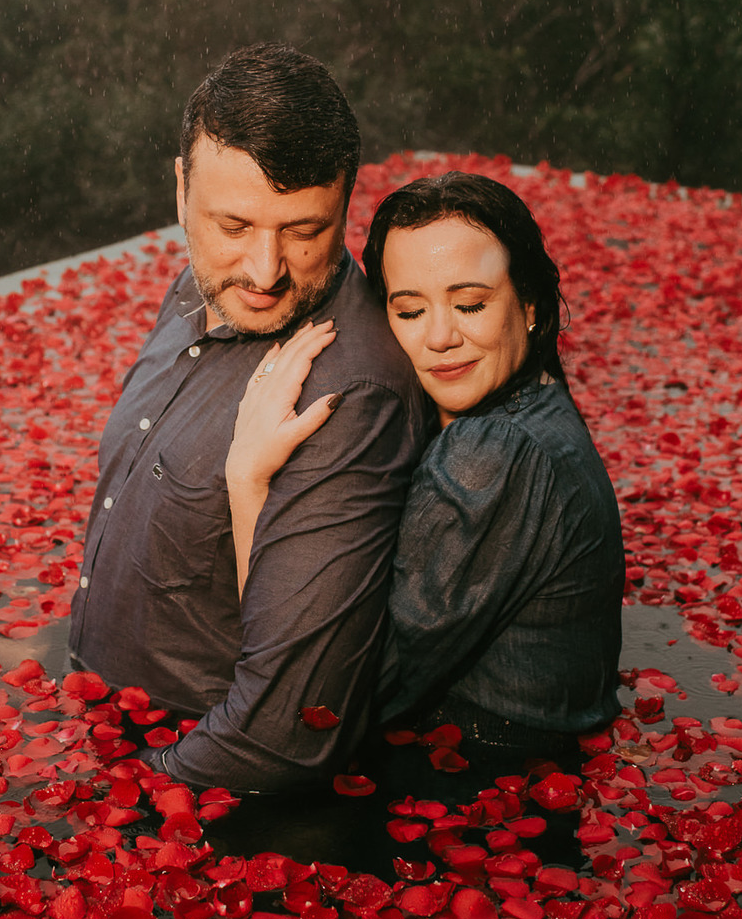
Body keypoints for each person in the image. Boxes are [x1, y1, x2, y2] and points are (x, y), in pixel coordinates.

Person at [68, 44, 427, 792]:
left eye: (303, 231)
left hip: (185, 775)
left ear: (345, 208)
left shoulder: (350, 395)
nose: (265, 273)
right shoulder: (199, 284)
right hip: (96, 714)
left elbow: (286, 734)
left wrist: (119, 797)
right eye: (235, 225)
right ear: (180, 193)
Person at [227, 171, 624, 776]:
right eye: (409, 310)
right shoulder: (531, 405)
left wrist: (248, 480)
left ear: (532, 305)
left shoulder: (495, 452)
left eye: (470, 304)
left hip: (477, 786)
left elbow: (326, 692)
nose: (440, 337)